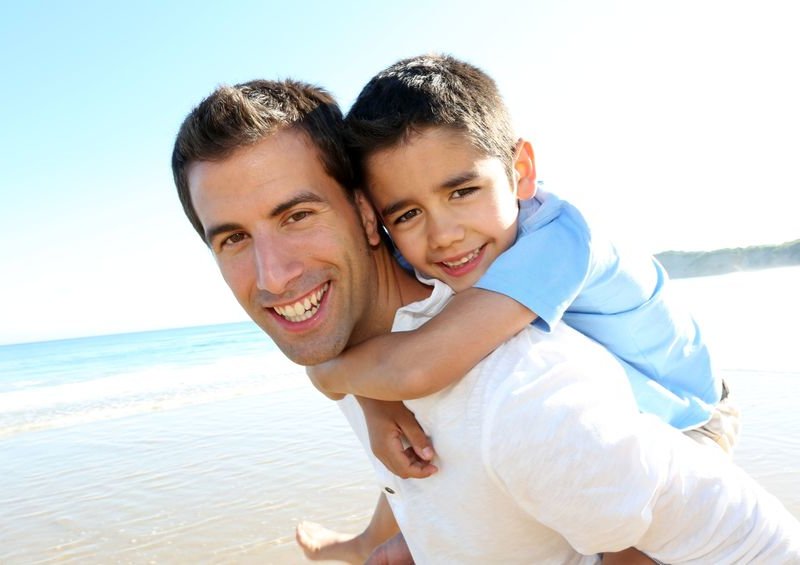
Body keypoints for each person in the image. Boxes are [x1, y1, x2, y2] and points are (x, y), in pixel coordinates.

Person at [171, 78, 800, 563]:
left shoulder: (527, 383)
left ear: (364, 218)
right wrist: (363, 392)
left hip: (687, 405)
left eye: (297, 216)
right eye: (231, 239)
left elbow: (427, 370)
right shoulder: (361, 310)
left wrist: (355, 380)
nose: (274, 275)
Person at [300, 53, 741, 561]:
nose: (443, 235)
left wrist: (333, 376)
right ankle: (367, 543)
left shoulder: (559, 240)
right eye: (408, 214)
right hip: (598, 388)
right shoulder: (428, 243)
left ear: (521, 170)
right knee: (429, 441)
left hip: (685, 414)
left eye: (463, 191)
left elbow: (419, 365)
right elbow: (380, 341)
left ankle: (388, 548)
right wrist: (379, 408)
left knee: (629, 544)